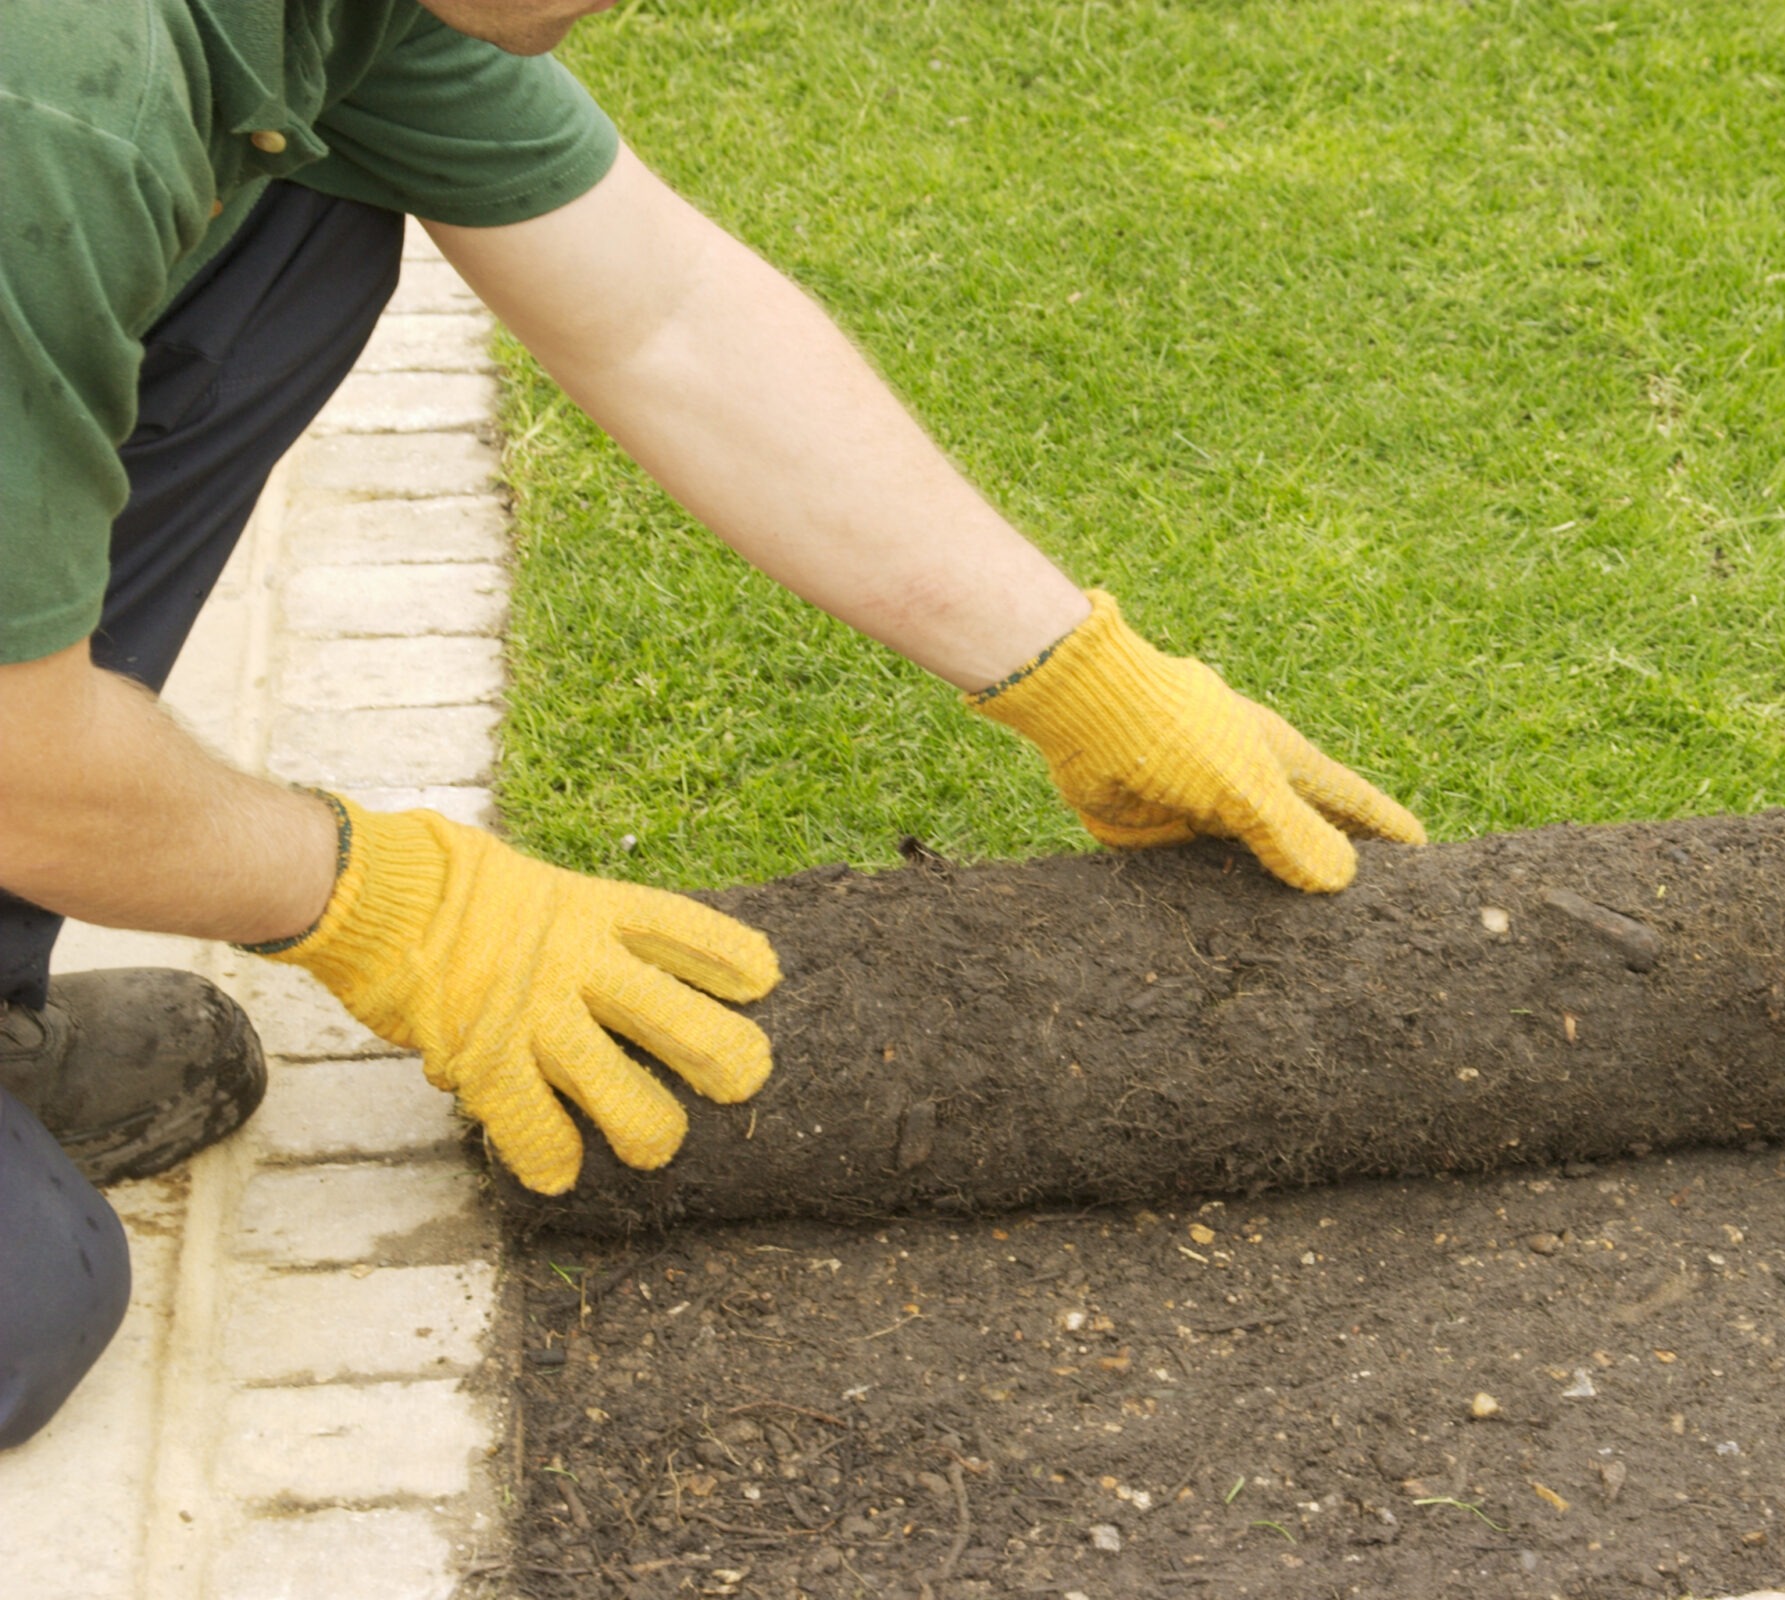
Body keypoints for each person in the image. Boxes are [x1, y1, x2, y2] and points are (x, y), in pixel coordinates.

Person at [0, 0, 1424, 1449]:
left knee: (301, 219)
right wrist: (387, 903)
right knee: (26, 1305)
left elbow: (657, 312)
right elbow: (15, 764)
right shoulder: (56, 96)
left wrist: (1074, 672)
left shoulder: (331, 20)